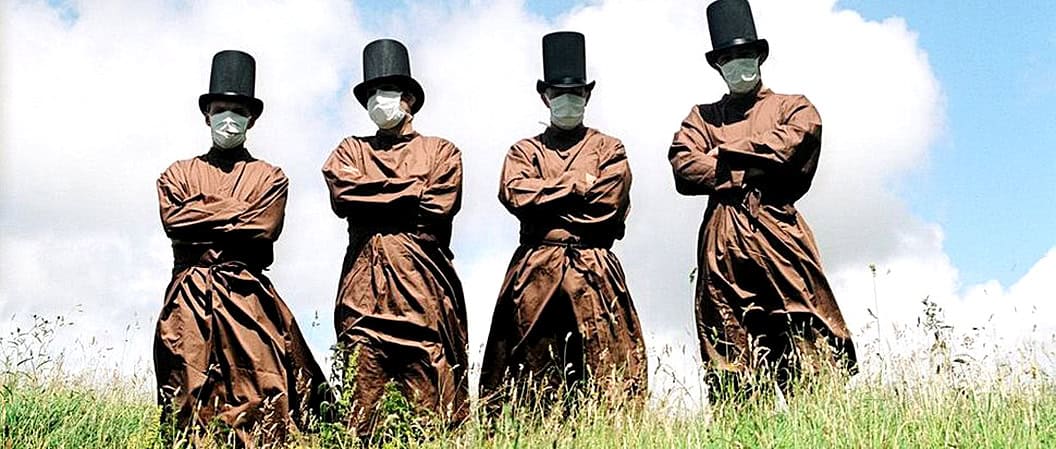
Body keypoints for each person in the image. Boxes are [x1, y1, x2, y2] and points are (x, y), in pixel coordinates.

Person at [668, 0, 857, 400]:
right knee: (727, 336)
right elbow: (685, 167)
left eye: (744, 54)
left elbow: (789, 148)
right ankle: (740, 428)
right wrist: (751, 164)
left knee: (807, 324)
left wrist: (722, 156)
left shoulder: (795, 106)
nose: (738, 63)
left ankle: (823, 423)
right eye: (728, 57)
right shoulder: (700, 117)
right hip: (721, 238)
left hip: (779, 229)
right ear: (718, 65)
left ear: (759, 55)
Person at [154, 50, 328, 446]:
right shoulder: (176, 174)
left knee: (261, 391)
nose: (228, 118)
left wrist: (201, 211)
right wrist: (237, 213)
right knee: (186, 395)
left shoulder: (270, 176)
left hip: (248, 297)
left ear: (251, 118)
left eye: (237, 110)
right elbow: (174, 223)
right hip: (187, 301)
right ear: (206, 114)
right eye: (220, 108)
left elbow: (264, 227)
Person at [479, 31, 648, 411]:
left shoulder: (610, 148)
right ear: (545, 96)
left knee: (608, 362)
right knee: (529, 367)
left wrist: (546, 199)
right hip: (535, 270)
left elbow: (608, 204)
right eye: (558, 94)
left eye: (575, 94)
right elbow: (515, 193)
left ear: (587, 96)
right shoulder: (524, 150)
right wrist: (575, 185)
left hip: (594, 267)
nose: (567, 101)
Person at [321, 39, 469, 437]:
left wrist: (374, 194)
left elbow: (440, 203)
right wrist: (410, 191)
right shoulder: (349, 150)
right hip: (362, 289)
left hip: (425, 291)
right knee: (362, 403)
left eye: (382, 92)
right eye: (369, 93)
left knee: (431, 406)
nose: (375, 100)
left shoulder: (442, 151)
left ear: (407, 98)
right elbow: (343, 196)